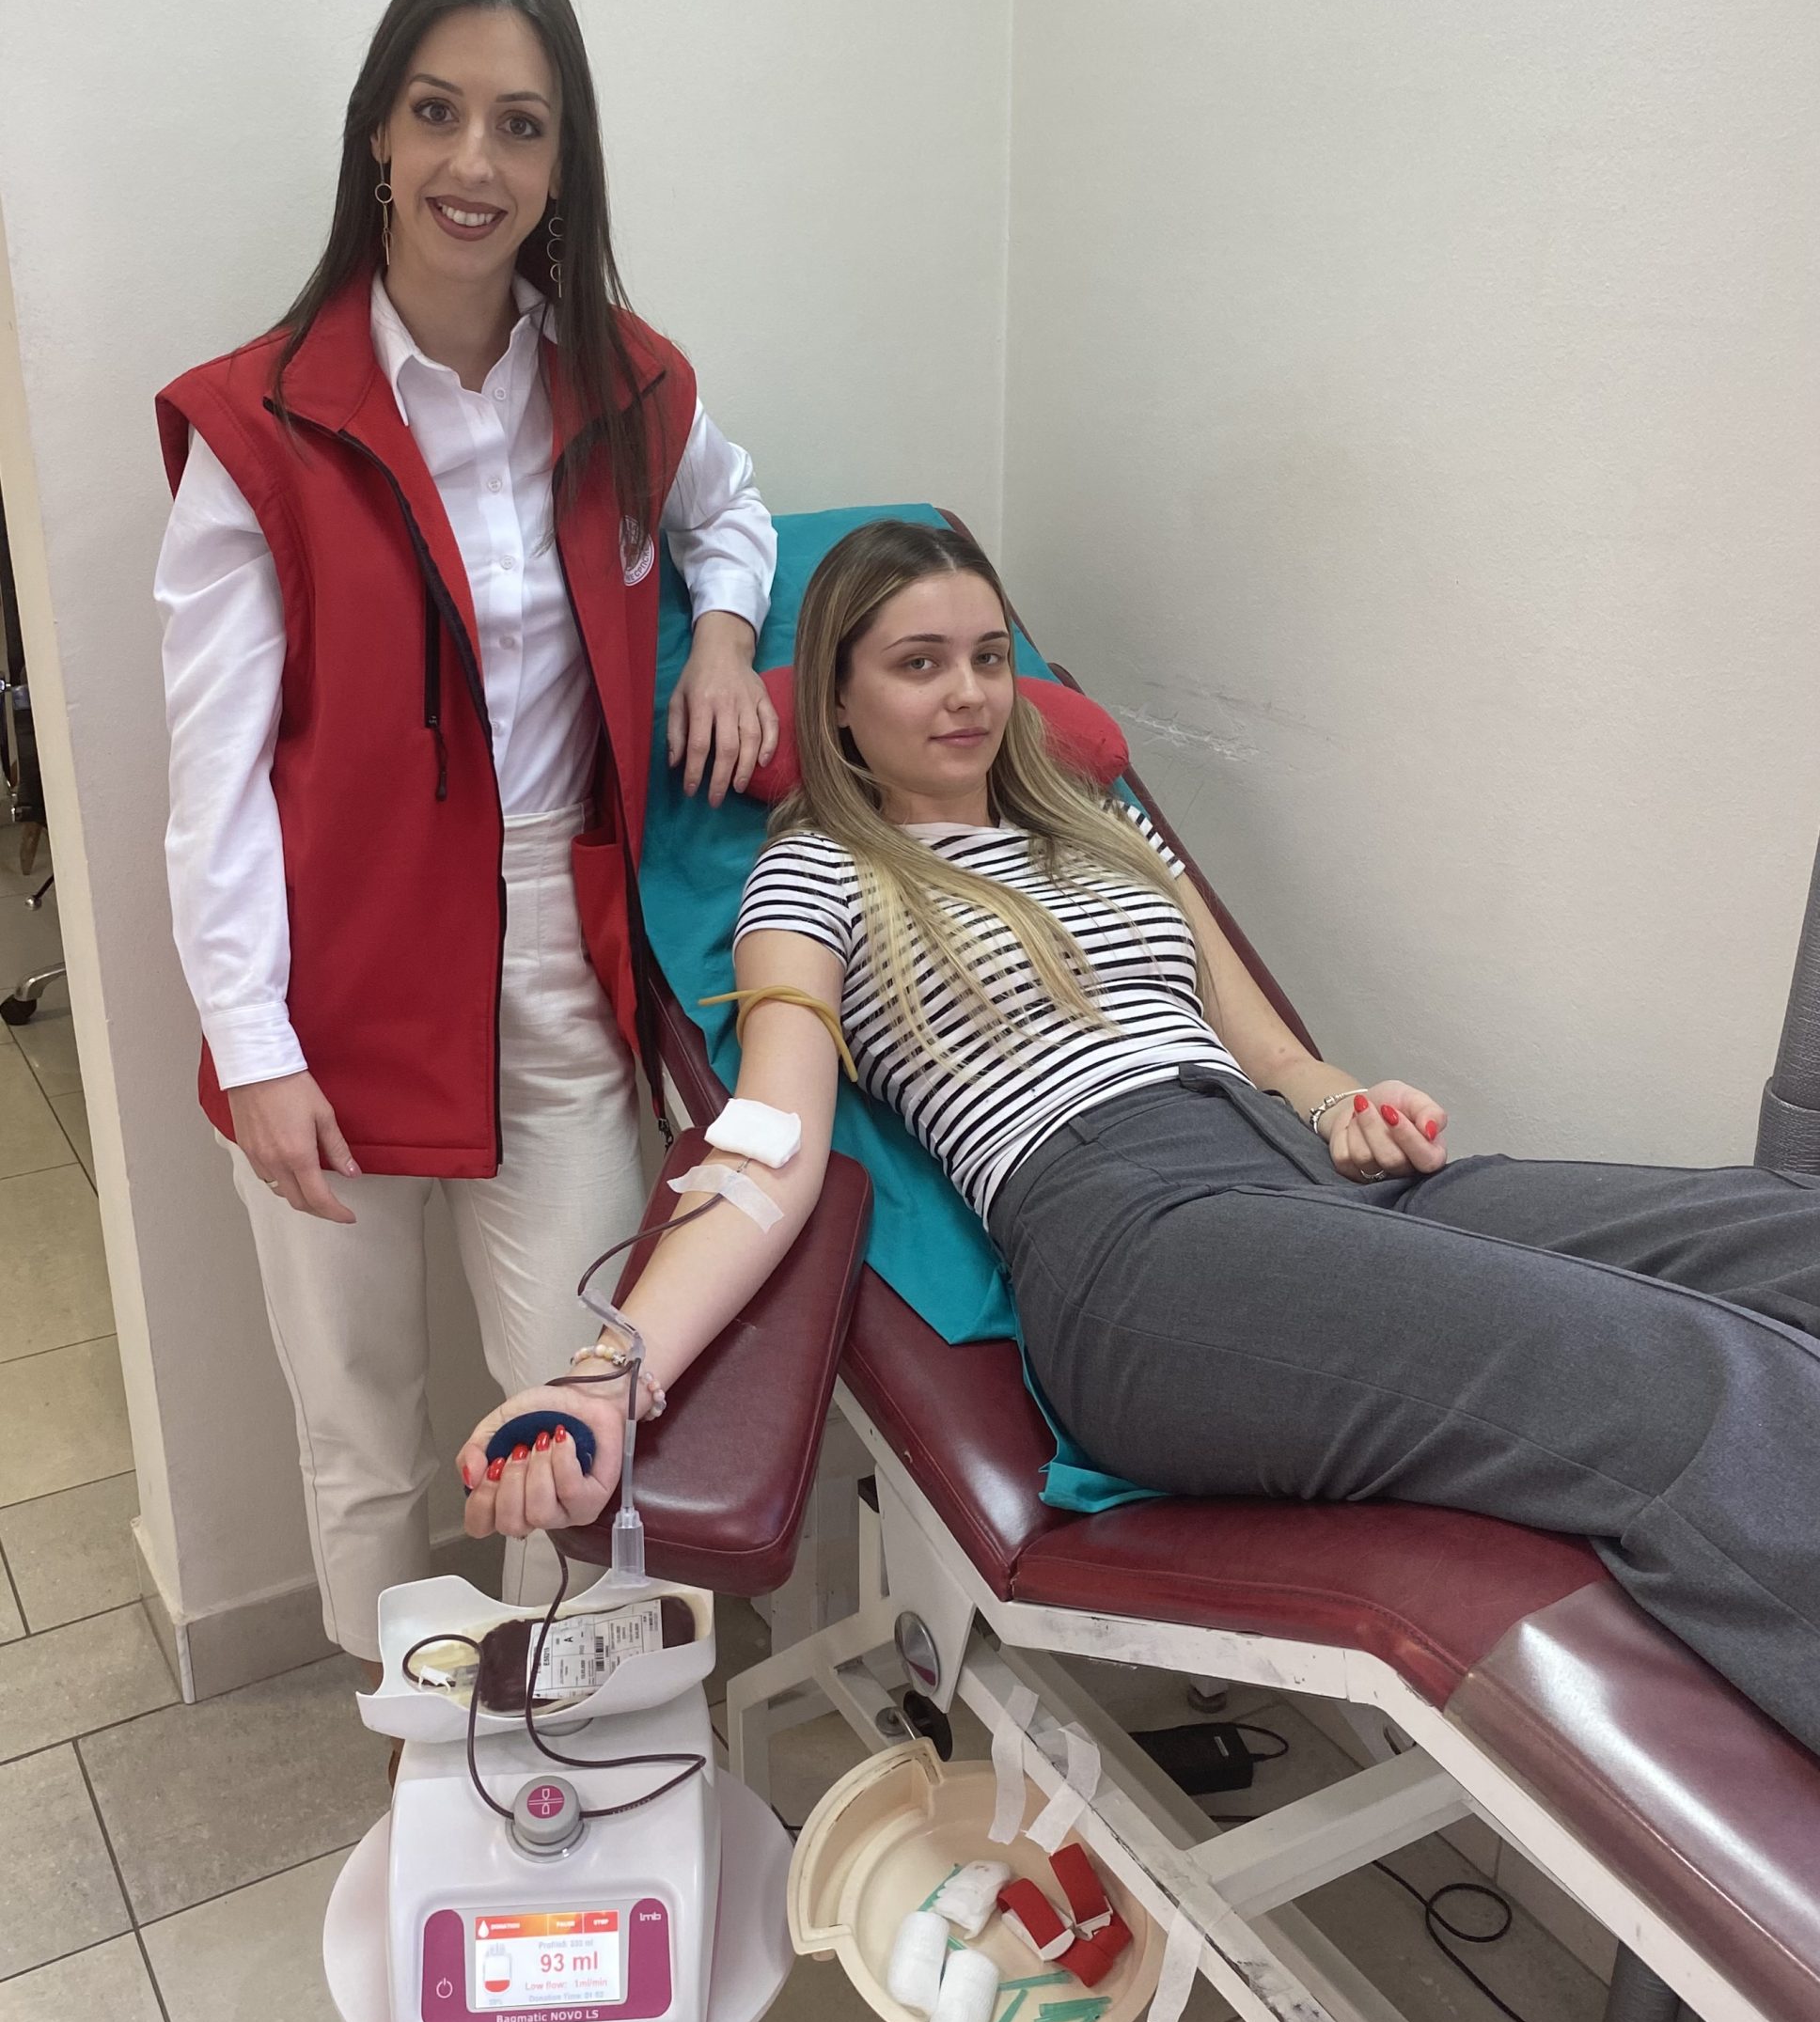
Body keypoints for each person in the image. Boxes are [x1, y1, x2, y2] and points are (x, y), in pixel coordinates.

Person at [460, 518, 1820, 1755]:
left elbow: (1275, 1055)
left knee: (1782, 1241)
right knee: (1686, 1378)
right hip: (1135, 1247)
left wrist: (1351, 1108)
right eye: (919, 664)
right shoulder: (816, 872)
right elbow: (768, 1143)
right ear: (836, 705)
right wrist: (608, 1375)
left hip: (1300, 1179)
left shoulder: (1097, 823)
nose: (969, 693)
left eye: (989, 657)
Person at [155, 0, 778, 1666]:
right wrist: (255, 1048)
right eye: (436, 113)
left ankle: (550, 1740)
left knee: (577, 1405)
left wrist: (727, 639)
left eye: (520, 124)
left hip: (554, 959)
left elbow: (732, 510)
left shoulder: (628, 381)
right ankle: (408, 1736)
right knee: (359, 1417)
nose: (473, 164)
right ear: (376, 133)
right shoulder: (263, 421)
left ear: (565, 162)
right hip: (332, 967)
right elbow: (214, 778)